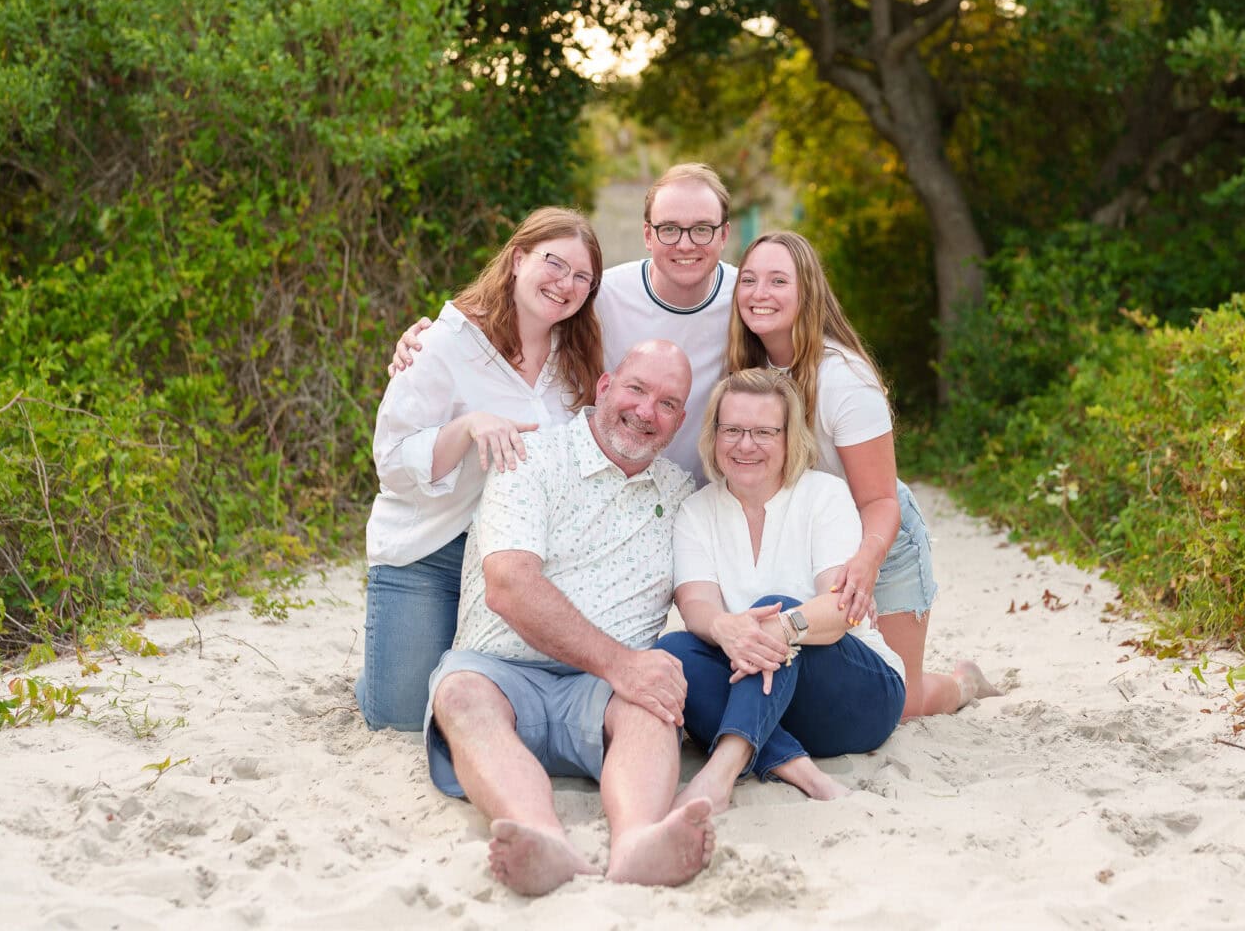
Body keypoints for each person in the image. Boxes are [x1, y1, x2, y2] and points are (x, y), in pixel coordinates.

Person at [425, 340, 715, 895]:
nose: (646, 412)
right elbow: (509, 585)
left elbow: (707, 591)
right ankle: (542, 838)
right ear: (605, 387)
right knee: (458, 694)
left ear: (679, 422)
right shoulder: (529, 458)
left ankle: (637, 843)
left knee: (654, 703)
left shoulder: (682, 497)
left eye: (668, 403)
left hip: (605, 691)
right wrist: (622, 663)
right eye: (637, 389)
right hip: (500, 671)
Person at [728, 231, 1003, 719]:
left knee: (899, 700)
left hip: (878, 541)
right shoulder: (745, 370)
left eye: (777, 280)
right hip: (808, 541)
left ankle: (963, 682)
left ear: (807, 291)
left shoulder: (843, 378)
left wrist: (865, 564)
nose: (759, 293)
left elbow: (879, 500)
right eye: (748, 280)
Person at [360, 207, 604, 731]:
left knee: (491, 708)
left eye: (582, 277)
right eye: (554, 264)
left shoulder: (579, 358)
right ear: (518, 259)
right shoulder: (444, 343)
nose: (566, 284)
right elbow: (391, 460)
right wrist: (468, 426)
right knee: (402, 717)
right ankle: (384, 665)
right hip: (430, 552)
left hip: (519, 560)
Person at [658, 369, 921, 811]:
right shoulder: (696, 511)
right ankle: (801, 772)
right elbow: (696, 605)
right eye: (734, 430)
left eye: (763, 432)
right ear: (714, 434)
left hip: (855, 693)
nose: (746, 445)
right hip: (764, 699)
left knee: (767, 612)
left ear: (788, 437)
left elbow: (841, 612)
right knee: (671, 653)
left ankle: (720, 774)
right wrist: (728, 629)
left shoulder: (824, 496)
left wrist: (781, 628)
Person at [391, 163, 736, 484]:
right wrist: (431, 338)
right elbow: (526, 311)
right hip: (608, 496)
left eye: (702, 229)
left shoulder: (746, 300)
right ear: (648, 235)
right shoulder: (599, 296)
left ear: (724, 234)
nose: (686, 243)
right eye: (670, 229)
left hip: (708, 499)